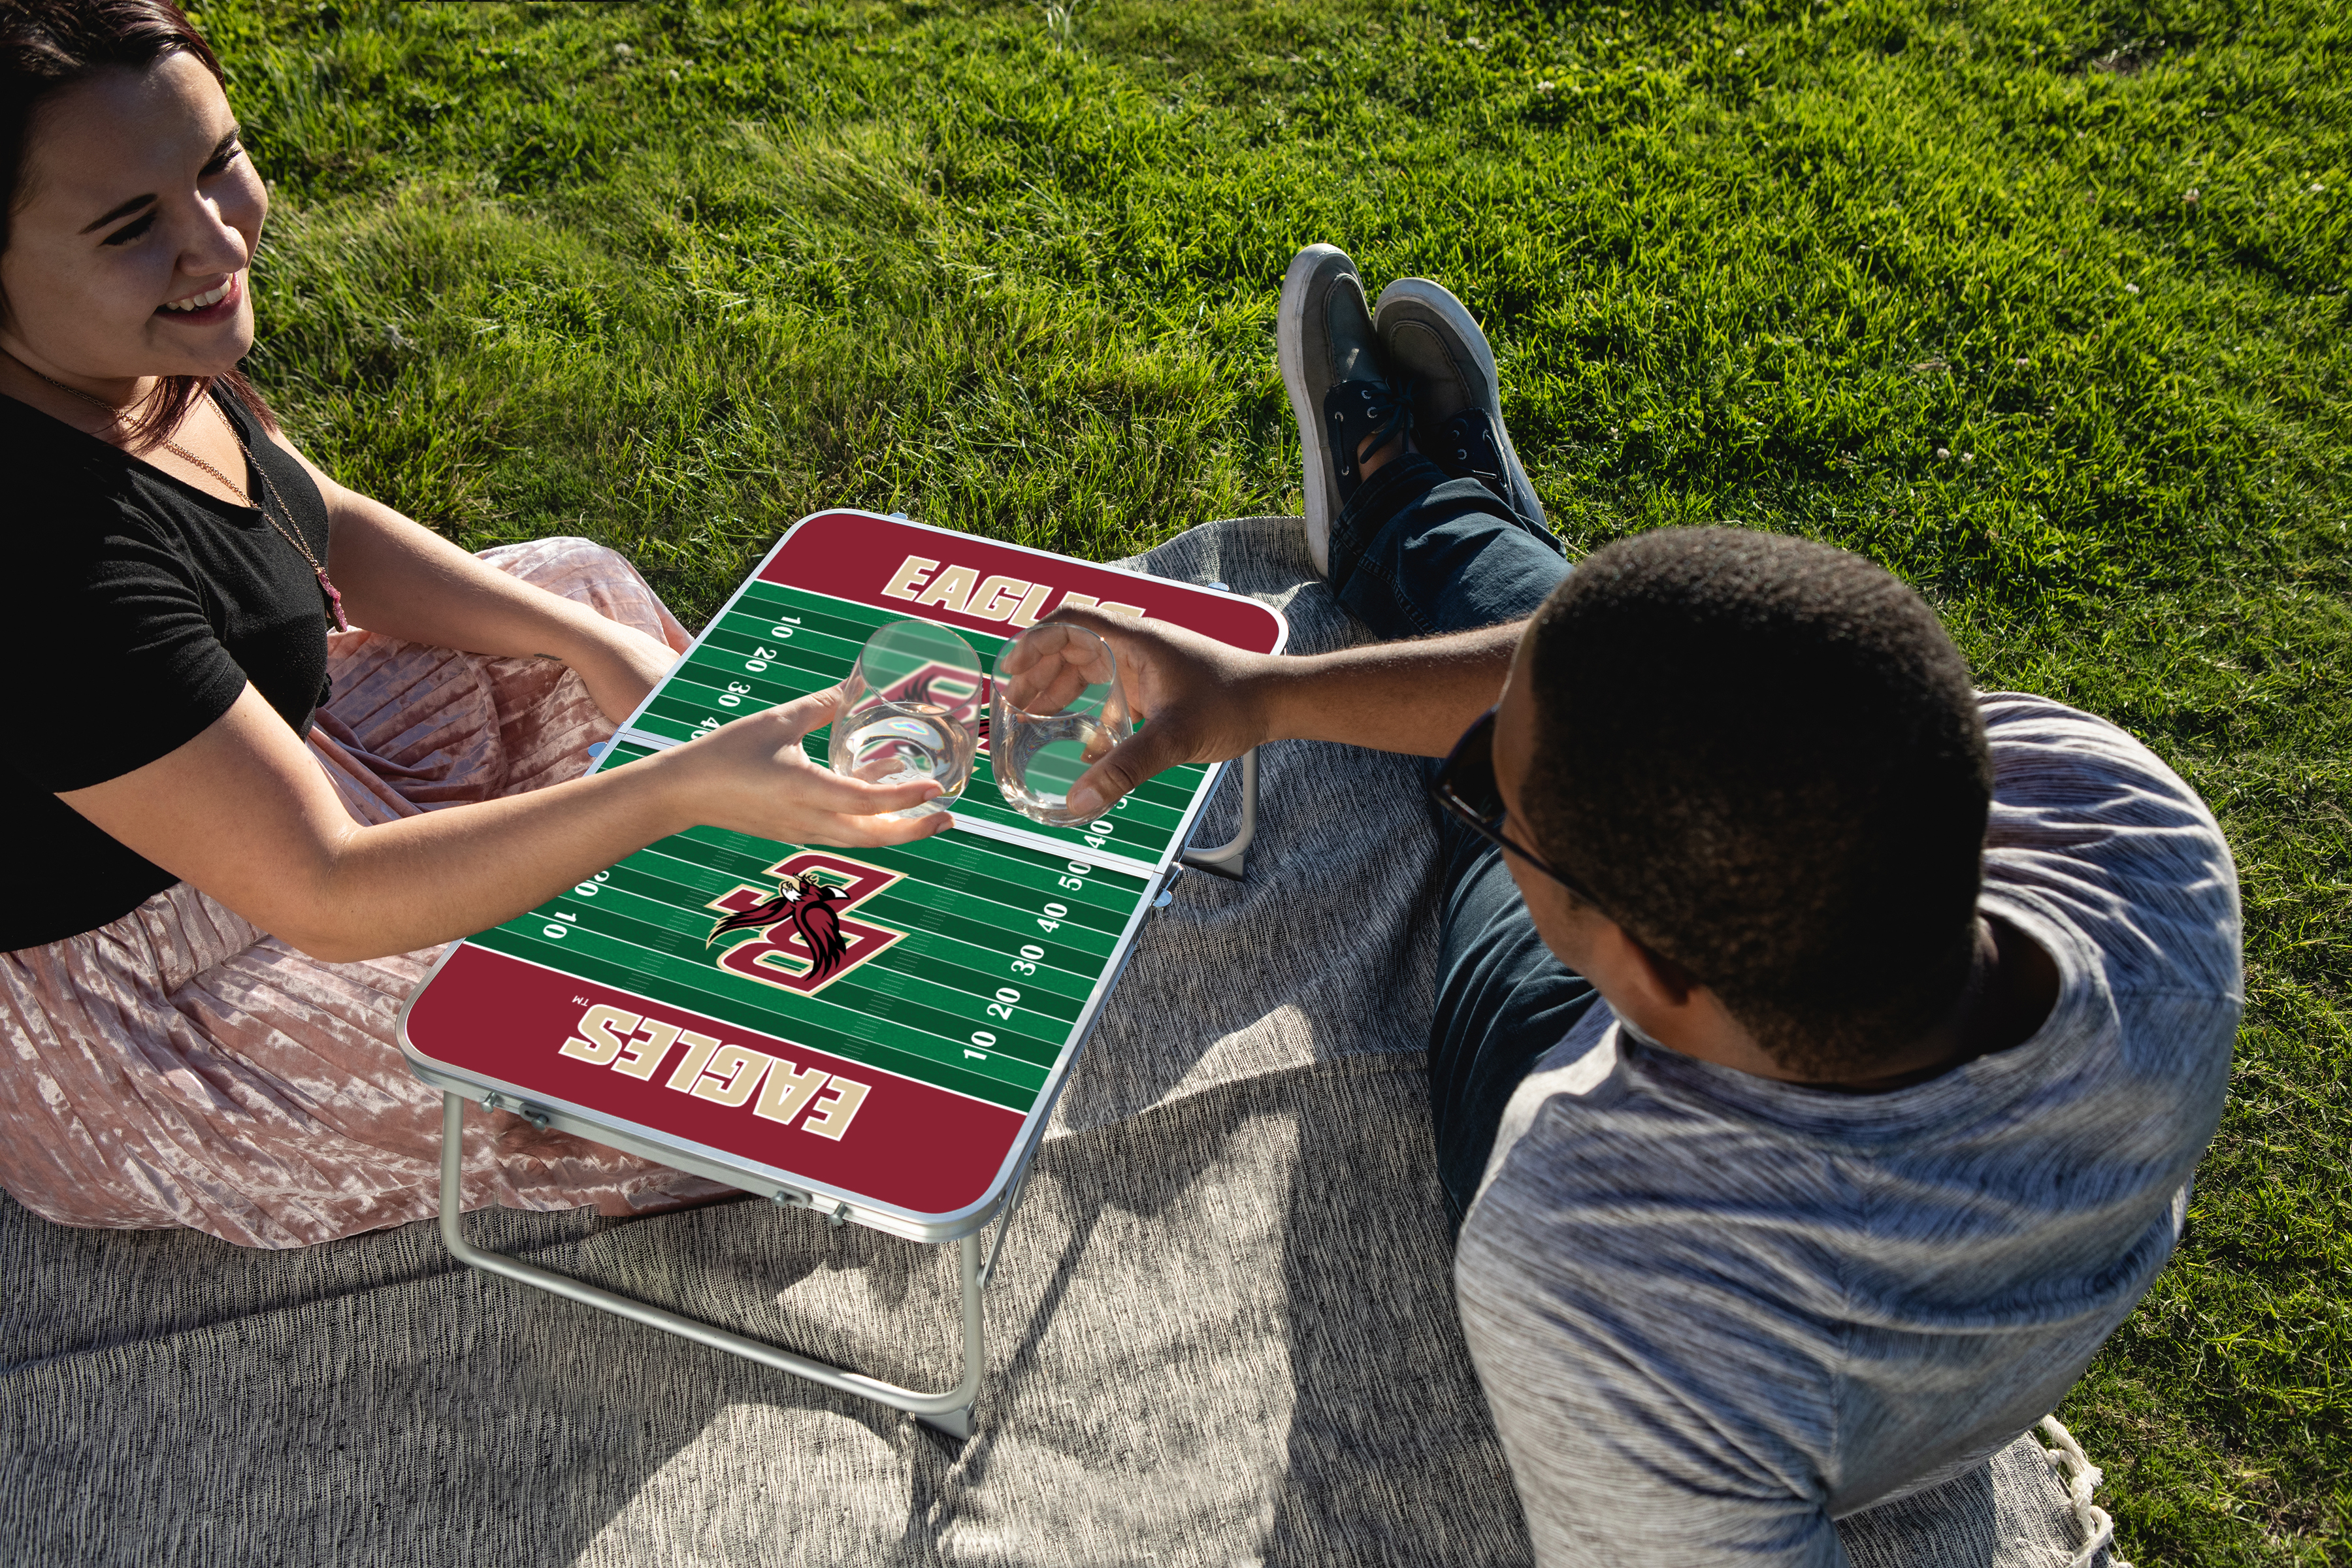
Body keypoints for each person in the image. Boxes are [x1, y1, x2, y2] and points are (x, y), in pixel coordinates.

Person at [1047, 243, 2240, 1564]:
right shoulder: (2133, 826)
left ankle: (1428, 520)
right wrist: (1260, 698)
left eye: (1496, 809)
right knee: (1623, 671)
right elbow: (1706, 693)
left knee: (1542, 753)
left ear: (1644, 970)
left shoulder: (1603, 1262)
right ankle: (1445, 526)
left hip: (1571, 1075)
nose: (1479, 805)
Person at [0, 0, 947, 1249]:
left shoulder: (122, 355)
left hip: (286, 774)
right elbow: (327, 892)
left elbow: (311, 519)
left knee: (574, 588)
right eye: (132, 226)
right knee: (657, 1049)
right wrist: (671, 791)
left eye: (219, 161)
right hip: (164, 1003)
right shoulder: (41, 554)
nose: (217, 236)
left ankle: (735, 840)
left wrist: (589, 646)